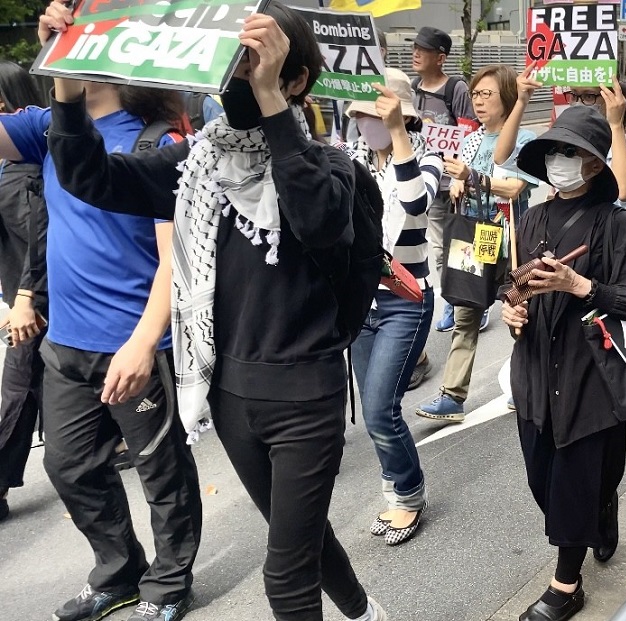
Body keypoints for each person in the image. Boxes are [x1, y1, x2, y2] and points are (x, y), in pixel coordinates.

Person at [41, 3, 387, 620]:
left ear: (296, 77)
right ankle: (364, 612)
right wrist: (68, 78)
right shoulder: (197, 165)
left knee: (284, 575)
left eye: (250, 62)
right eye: (229, 61)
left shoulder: (335, 168)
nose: (234, 77)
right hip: (228, 394)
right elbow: (86, 176)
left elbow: (317, 218)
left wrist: (272, 96)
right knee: (304, 538)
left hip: (305, 397)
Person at [2, 15, 202, 619]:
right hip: (65, 344)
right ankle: (118, 571)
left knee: (161, 472)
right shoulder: (48, 127)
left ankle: (171, 582)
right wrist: (54, 58)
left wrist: (144, 343)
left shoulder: (160, 142)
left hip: (140, 344)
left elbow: (177, 259)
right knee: (68, 465)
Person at [501, 104, 626, 621]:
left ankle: (566, 586)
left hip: (590, 375)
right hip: (535, 368)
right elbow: (513, 282)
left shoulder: (616, 225)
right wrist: (512, 307)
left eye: (572, 152)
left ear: (594, 164)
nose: (560, 161)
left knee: (571, 481)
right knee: (541, 478)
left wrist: (580, 285)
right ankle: (600, 507)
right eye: (553, 151)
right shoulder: (533, 217)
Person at [343, 68, 442, 545]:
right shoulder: (352, 161)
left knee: (382, 409)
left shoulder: (430, 160)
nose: (366, 122)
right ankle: (397, 490)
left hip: (406, 299)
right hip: (361, 301)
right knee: (374, 409)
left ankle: (408, 493)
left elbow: (414, 204)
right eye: (360, 114)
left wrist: (399, 132)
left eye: (374, 113)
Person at [416, 65, 536, 424]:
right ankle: (452, 397)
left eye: (487, 95)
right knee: (465, 313)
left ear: (508, 98)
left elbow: (517, 188)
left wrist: (472, 177)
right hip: (474, 237)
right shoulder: (470, 139)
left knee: (519, 317)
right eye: (475, 94)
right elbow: (460, 176)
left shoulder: (524, 139)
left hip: (512, 239)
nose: (479, 102)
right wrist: (458, 184)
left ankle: (523, 386)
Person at [0, 61, 47, 524]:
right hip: (24, 297)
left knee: (18, 386)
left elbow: (39, 236)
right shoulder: (10, 164)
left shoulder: (27, 168)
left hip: (41, 297)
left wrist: (25, 296)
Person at [407, 26, 475, 345]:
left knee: (464, 244)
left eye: (423, 49)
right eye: (415, 48)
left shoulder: (456, 89)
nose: (416, 53)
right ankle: (451, 301)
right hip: (427, 181)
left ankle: (472, 302)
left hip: (456, 180)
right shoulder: (411, 88)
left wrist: (462, 174)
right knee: (438, 248)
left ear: (441, 57)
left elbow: (470, 135)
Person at [496, 67, 626, 211]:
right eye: (574, 95)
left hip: (604, 231)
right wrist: (521, 102)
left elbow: (624, 191)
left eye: (589, 96)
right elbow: (503, 156)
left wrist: (615, 125)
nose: (578, 103)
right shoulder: (559, 141)